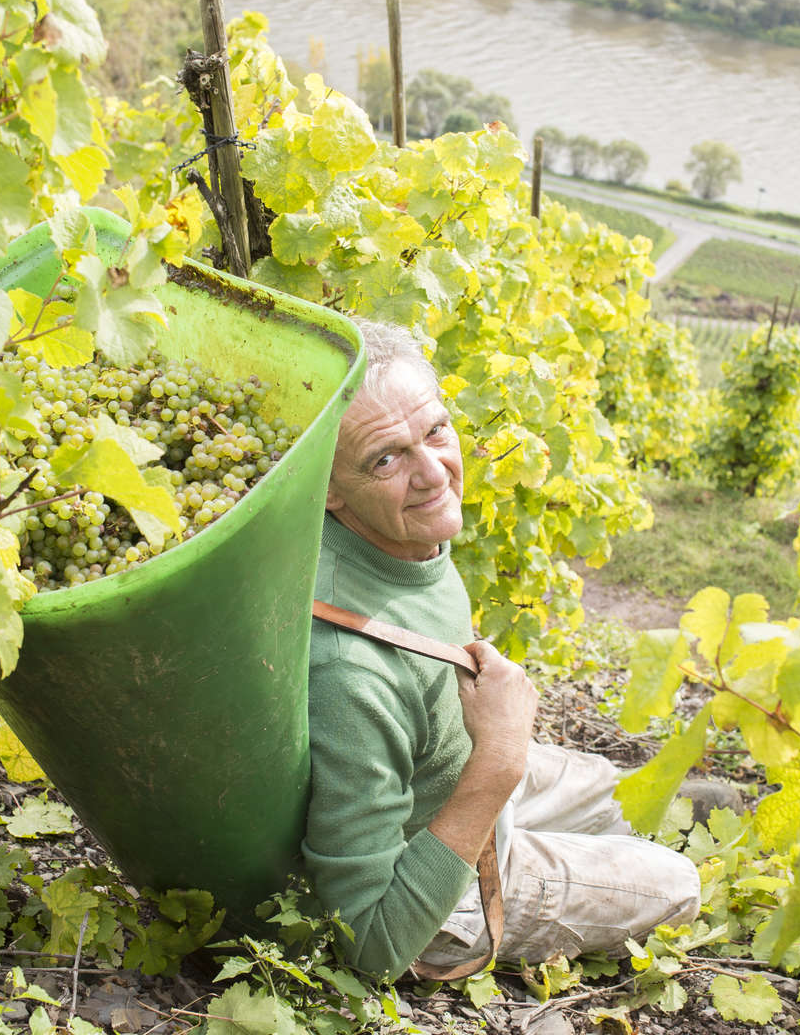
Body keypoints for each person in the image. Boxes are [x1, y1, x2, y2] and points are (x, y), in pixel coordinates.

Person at [304, 319, 723, 981]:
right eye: (385, 458)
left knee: (638, 792)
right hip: (434, 882)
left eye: (437, 431)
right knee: (678, 884)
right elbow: (373, 945)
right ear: (327, 488)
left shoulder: (392, 536)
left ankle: (593, 825)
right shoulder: (347, 673)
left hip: (442, 775)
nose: (432, 473)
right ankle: (553, 853)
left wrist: (495, 755)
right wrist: (499, 759)